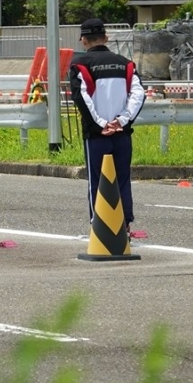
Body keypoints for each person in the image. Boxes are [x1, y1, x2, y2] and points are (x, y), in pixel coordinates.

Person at [68, 18, 147, 232]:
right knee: (122, 179)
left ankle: (100, 227)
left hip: (96, 135)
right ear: (106, 38)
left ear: (83, 40)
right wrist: (121, 120)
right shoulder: (125, 63)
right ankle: (125, 225)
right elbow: (138, 94)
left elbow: (81, 97)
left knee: (97, 180)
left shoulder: (80, 65)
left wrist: (101, 124)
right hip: (122, 133)